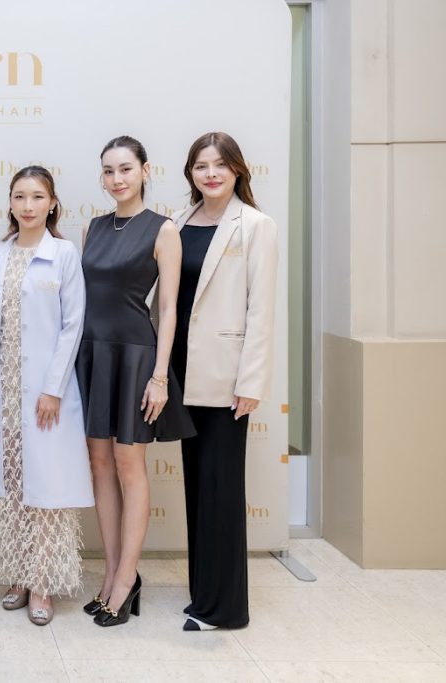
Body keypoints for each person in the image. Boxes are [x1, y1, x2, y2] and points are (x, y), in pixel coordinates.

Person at [75, 136, 195, 627]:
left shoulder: (163, 229)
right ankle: (111, 575)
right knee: (99, 464)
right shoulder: (93, 227)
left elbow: (167, 309)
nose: (116, 178)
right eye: (108, 170)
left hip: (136, 356)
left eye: (125, 168)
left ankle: (126, 580)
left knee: (129, 465)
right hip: (93, 354)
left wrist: (160, 377)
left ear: (145, 171)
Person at [0, 166, 93, 627]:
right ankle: (17, 577)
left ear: (52, 203)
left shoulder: (63, 254)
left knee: (45, 489)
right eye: (19, 196)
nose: (28, 206)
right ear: (9, 202)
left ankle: (42, 582)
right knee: (11, 489)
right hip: (1, 393)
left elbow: (72, 325)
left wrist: (52, 389)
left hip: (46, 395)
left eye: (38, 196)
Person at [171, 132, 277, 631]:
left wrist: (251, 380)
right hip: (180, 372)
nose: (210, 174)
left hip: (226, 375)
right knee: (197, 485)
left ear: (237, 170)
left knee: (221, 488)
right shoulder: (178, 221)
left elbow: (262, 309)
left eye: (220, 165)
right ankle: (204, 592)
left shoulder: (255, 225)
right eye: (201, 166)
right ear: (190, 173)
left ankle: (224, 610)